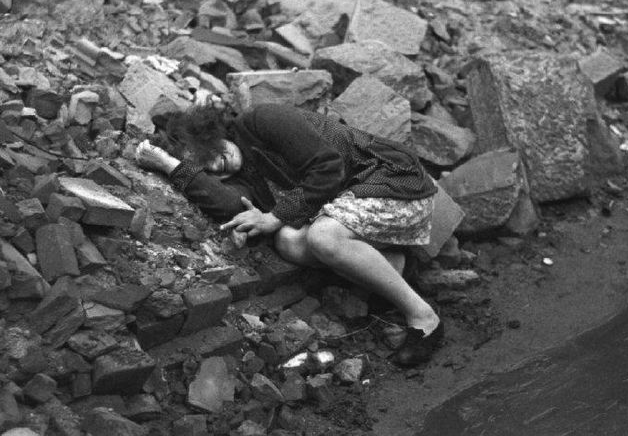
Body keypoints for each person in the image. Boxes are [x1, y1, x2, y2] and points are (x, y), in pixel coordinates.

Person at [136, 103, 444, 366]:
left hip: (395, 184)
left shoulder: (262, 120)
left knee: (322, 237)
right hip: (354, 210)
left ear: (211, 133)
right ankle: (394, 266)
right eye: (204, 169)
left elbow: (329, 167)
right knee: (288, 242)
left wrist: (274, 216)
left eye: (209, 152)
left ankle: (424, 318)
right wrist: (170, 165)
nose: (215, 165)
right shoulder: (239, 175)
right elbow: (230, 204)